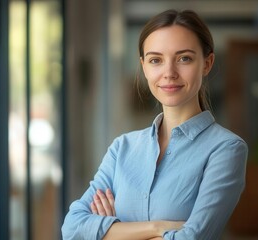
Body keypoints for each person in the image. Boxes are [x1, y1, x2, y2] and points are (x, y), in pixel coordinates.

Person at [61, 9, 248, 240]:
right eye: (156, 60)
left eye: (184, 58)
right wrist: (157, 228)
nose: (169, 73)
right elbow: (72, 228)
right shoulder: (122, 148)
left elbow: (189, 238)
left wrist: (109, 232)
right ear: (144, 66)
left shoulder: (226, 149)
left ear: (207, 63)